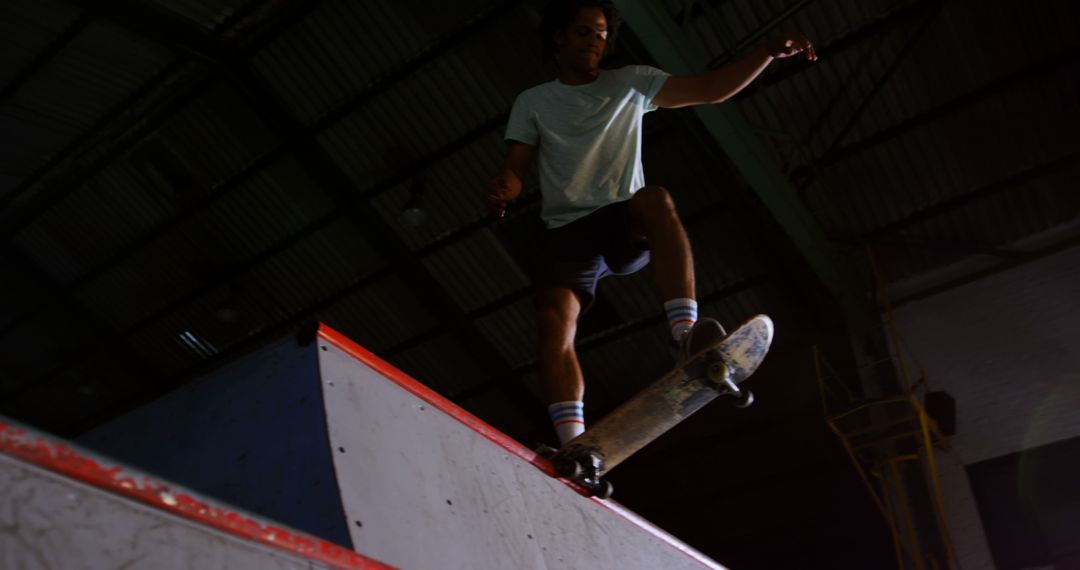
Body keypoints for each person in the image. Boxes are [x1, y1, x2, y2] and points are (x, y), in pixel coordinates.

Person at [483, 0, 816, 446]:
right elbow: (515, 168)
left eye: (602, 34)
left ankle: (685, 335)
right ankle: (574, 443)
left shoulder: (632, 83)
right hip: (567, 232)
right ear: (560, 37)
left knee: (655, 198)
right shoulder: (534, 102)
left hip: (623, 218)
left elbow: (712, 88)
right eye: (584, 32)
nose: (595, 42)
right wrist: (504, 184)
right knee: (552, 320)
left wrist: (767, 52)